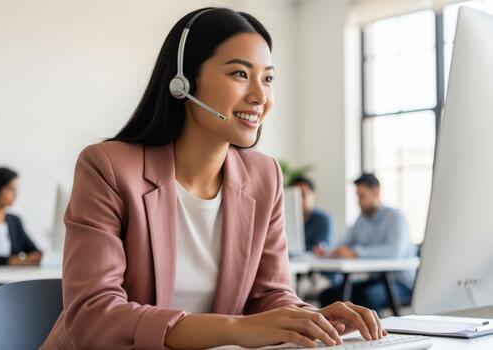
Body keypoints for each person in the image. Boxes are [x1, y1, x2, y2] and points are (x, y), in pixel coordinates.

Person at [41, 8, 387, 350]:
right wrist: (237, 329)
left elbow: (268, 294)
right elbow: (95, 318)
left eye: (267, 78)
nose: (259, 96)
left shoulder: (265, 176)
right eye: (239, 74)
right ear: (183, 81)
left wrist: (305, 319)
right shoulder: (108, 167)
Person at [319, 173, 416, 314]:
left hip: (399, 283)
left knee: (366, 297)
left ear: (376, 191)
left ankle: (374, 334)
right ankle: (335, 333)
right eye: (357, 196)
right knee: (330, 295)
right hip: (375, 280)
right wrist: (328, 251)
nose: (359, 201)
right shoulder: (361, 220)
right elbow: (345, 243)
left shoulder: (395, 218)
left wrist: (356, 253)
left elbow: (394, 252)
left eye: (362, 196)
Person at [0, 167, 42, 265]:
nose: (15, 194)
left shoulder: (14, 221)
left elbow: (35, 252)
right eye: (10, 189)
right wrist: (10, 261)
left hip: (11, 276)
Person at [289, 176, 334, 255]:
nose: (298, 199)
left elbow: (324, 247)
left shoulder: (323, 219)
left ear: (314, 195)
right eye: (295, 195)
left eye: (303, 194)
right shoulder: (285, 219)